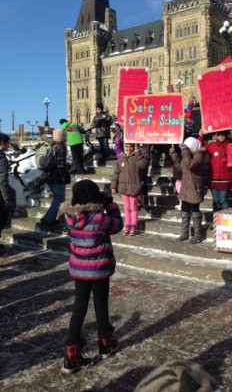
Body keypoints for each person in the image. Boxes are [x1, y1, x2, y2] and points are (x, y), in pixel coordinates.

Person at [59, 179, 122, 374]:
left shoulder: (70, 218)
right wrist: (109, 203)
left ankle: (72, 355)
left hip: (79, 269)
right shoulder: (100, 219)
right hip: (99, 268)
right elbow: (118, 224)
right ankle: (105, 344)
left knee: (79, 308)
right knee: (100, 305)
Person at [171, 137, 209, 244]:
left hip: (194, 188)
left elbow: (191, 165)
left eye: (187, 148)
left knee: (195, 210)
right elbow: (180, 167)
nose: (185, 149)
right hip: (186, 188)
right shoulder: (187, 157)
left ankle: (198, 235)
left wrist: (184, 151)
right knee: (185, 210)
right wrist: (174, 155)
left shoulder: (199, 156)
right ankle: (184, 233)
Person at [37, 129, 72, 231]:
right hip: (57, 178)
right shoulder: (60, 148)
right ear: (62, 138)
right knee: (59, 199)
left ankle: (51, 218)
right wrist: (65, 175)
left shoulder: (51, 147)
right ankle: (47, 219)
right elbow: (60, 165)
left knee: (57, 198)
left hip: (49, 177)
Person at [111, 142, 149, 236]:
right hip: (123, 188)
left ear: (133, 148)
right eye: (127, 147)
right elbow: (116, 174)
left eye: (131, 147)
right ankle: (127, 225)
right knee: (126, 208)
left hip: (133, 188)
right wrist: (113, 186)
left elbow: (144, 165)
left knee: (133, 207)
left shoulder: (137, 157)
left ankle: (133, 225)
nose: (129, 149)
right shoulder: (121, 159)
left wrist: (138, 153)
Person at [205, 131, 232, 213]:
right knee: (216, 202)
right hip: (213, 179)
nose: (221, 136)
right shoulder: (212, 145)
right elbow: (200, 146)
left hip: (225, 179)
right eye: (219, 134)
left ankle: (224, 222)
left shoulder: (231, 145)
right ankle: (216, 222)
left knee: (224, 200)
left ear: (226, 135)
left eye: (223, 134)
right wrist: (201, 136)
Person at [0, 134, 15, 235]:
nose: (8, 145)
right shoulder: (1, 159)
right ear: (2, 143)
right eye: (7, 143)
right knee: (2, 216)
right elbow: (2, 180)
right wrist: (6, 198)